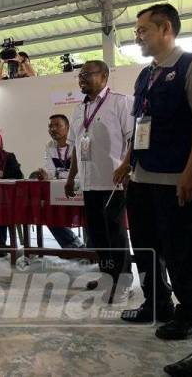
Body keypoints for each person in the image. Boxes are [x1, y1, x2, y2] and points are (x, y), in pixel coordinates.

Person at [110, 4, 192, 356]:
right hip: (143, 177)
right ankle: (156, 302)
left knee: (182, 251)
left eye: (143, 30)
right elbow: (139, 123)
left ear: (166, 29)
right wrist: (127, 161)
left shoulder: (190, 67)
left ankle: (190, 311)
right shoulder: (146, 75)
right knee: (146, 245)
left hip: (176, 178)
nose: (138, 36)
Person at [65, 60, 134, 304]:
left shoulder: (120, 102)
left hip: (113, 182)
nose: (82, 78)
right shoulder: (77, 110)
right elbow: (75, 146)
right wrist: (72, 176)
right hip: (89, 183)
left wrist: (126, 168)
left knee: (115, 233)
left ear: (104, 76)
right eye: (80, 75)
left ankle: (123, 281)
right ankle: (108, 276)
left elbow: (133, 140)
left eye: (87, 74)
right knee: (98, 234)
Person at [35, 114, 85, 249]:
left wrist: (59, 174)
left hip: (81, 189)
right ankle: (71, 244)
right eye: (50, 126)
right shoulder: (50, 146)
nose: (53, 129)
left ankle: (93, 250)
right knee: (47, 213)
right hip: (59, 190)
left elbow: (82, 171)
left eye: (58, 125)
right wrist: (46, 175)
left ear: (68, 128)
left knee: (90, 214)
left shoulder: (78, 144)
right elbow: (50, 171)